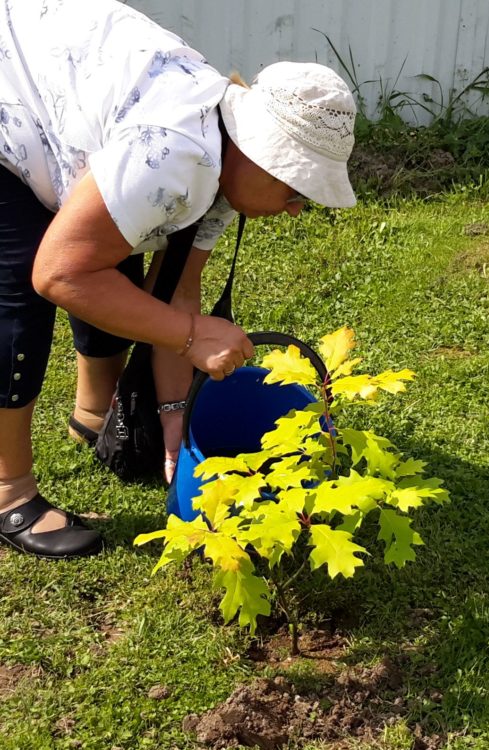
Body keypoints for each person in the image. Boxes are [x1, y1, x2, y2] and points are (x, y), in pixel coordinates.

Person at [0, 0, 357, 560]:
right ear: (259, 152)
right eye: (295, 188)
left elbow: (175, 292)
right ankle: (9, 491)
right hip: (12, 95)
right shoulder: (172, 153)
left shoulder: (225, 173)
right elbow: (58, 273)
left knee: (113, 253)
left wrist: (173, 416)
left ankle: (93, 417)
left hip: (63, 87)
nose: (295, 208)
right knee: (20, 296)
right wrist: (191, 336)